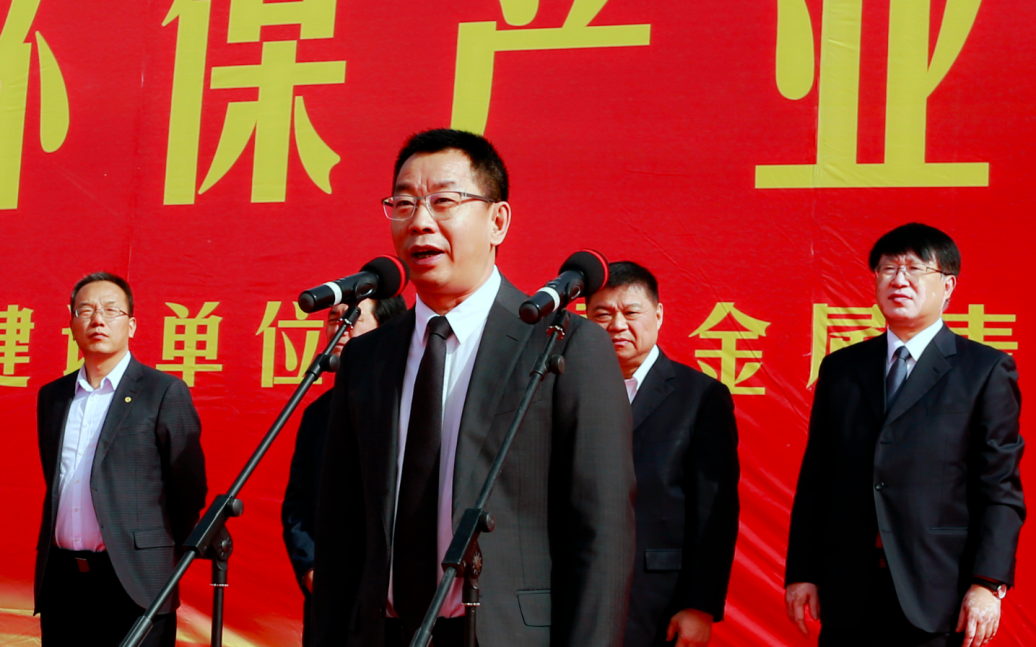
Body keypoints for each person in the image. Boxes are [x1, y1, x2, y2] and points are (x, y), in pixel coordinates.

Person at [312, 128, 637, 647]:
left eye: (444, 201)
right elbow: (341, 529)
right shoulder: (367, 358)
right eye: (403, 203)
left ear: (497, 221)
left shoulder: (564, 344)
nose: (420, 221)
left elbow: (602, 531)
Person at [785, 223, 1025, 647]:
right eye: (887, 269)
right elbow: (817, 478)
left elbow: (999, 487)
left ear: (947, 286)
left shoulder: (983, 370)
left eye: (915, 269)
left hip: (938, 594)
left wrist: (987, 583)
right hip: (849, 591)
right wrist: (802, 571)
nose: (899, 280)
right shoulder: (842, 369)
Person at [34, 272, 207, 647]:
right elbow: (55, 477)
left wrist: (154, 551)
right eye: (86, 311)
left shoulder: (163, 391)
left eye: (111, 311)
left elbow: (188, 488)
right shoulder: (53, 396)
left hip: (135, 582)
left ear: (131, 325)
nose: (98, 320)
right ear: (72, 324)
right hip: (63, 581)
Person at [587, 261, 740, 647]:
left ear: (658, 315)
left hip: (659, 599)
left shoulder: (699, 396)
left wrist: (699, 606)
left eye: (630, 312)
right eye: (602, 315)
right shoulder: (566, 390)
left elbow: (714, 512)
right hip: (578, 593)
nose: (617, 325)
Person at [282, 295, 406, 647]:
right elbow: (298, 505)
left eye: (354, 317)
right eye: (334, 318)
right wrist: (310, 566)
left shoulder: (410, 403)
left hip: (398, 596)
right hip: (332, 597)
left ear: (387, 329)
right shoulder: (318, 412)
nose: (341, 327)